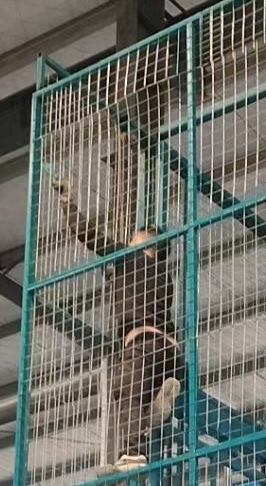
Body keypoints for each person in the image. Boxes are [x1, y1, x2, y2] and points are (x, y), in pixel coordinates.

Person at [52, 178, 183, 467]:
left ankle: (133, 453)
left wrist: (66, 202)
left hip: (142, 346)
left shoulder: (130, 258)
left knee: (125, 391)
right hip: (170, 351)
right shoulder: (164, 277)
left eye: (135, 238)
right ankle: (155, 409)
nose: (129, 241)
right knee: (140, 397)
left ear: (148, 245)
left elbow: (87, 234)